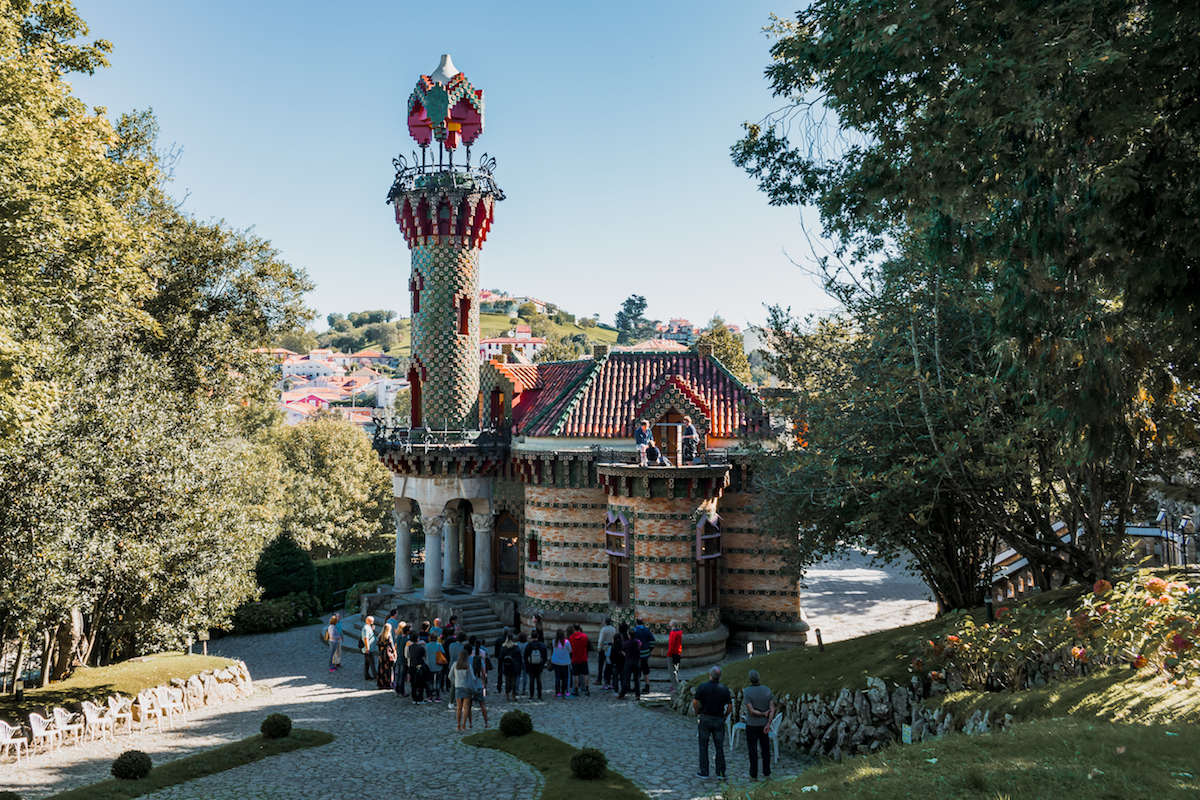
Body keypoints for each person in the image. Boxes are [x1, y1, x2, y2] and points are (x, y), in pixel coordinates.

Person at [692, 666, 733, 780]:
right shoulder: (724, 689)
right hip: (718, 719)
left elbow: (695, 702)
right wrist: (725, 715)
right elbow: (730, 706)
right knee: (719, 746)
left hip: (705, 718)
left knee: (703, 746)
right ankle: (720, 772)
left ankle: (704, 771)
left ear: (710, 674)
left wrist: (698, 712)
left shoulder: (703, 687)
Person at [742, 669, 776, 781]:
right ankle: (767, 772)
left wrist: (761, 713)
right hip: (764, 725)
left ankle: (753, 774)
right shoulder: (767, 690)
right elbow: (772, 709)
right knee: (765, 749)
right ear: (759, 678)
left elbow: (751, 710)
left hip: (752, 724)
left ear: (749, 680)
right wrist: (768, 722)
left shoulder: (747, 692)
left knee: (753, 749)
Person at [450, 648, 474, 732]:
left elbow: (450, 675)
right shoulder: (468, 666)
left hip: (458, 687)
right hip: (466, 688)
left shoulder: (455, 664)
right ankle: (464, 725)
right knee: (466, 707)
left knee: (459, 707)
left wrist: (454, 682)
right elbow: (473, 678)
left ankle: (458, 725)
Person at [634, 618, 656, 694]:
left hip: (638, 654)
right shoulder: (646, 630)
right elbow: (652, 641)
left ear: (636, 623)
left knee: (638, 670)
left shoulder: (635, 630)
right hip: (646, 653)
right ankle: (647, 685)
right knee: (646, 670)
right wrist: (649, 649)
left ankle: (637, 686)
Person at [471, 642, 490, 727]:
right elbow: (483, 673)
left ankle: (470, 723)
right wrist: (484, 682)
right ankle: (486, 722)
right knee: (482, 704)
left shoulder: (467, 659)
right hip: (478, 684)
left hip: (470, 685)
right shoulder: (479, 660)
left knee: (468, 705)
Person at [568, 623, 590, 697]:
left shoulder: (571, 637)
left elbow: (570, 647)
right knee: (585, 674)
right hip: (583, 657)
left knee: (576, 675)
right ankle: (587, 689)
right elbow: (587, 645)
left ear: (574, 629)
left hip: (575, 658)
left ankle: (576, 689)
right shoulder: (585, 636)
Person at [524, 630, 547, 699]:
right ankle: (539, 695)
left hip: (531, 665)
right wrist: (543, 663)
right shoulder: (542, 645)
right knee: (539, 680)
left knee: (531, 680)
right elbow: (545, 655)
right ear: (537, 636)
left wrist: (527, 664)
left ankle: (531, 695)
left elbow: (525, 656)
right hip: (539, 665)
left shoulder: (529, 645)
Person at [619, 630, 641, 700]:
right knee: (636, 679)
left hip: (628, 662)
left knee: (626, 678)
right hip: (636, 662)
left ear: (629, 635)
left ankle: (623, 694)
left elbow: (623, 651)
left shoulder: (626, 643)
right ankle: (637, 694)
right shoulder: (637, 642)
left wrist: (625, 654)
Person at [550, 628, 572, 697]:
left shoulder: (554, 642)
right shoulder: (567, 642)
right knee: (565, 677)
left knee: (558, 677)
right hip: (565, 662)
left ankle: (557, 692)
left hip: (556, 662)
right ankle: (565, 691)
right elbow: (570, 650)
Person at [500, 632, 522, 701]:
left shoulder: (503, 647)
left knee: (507, 681)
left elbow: (500, 657)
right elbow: (519, 657)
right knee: (514, 681)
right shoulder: (515, 647)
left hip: (506, 665)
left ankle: (507, 695)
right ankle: (513, 695)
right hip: (515, 665)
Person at [425, 631, 446, 703]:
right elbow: (443, 652)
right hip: (438, 665)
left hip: (429, 665)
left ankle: (430, 696)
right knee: (438, 681)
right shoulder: (439, 645)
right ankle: (438, 696)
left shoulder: (427, 645)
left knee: (430, 681)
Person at [408, 632, 427, 703]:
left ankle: (414, 698)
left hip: (412, 666)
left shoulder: (410, 648)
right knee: (421, 683)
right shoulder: (421, 648)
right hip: (419, 666)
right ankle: (420, 698)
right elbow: (425, 655)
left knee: (413, 683)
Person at [376, 623, 397, 691]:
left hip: (381, 656)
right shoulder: (388, 637)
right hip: (387, 656)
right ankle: (389, 683)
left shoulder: (380, 637)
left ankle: (381, 683)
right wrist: (395, 654)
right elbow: (392, 646)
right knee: (388, 670)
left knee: (381, 669)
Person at [668, 619, 683, 690]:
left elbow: (671, 644)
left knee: (672, 670)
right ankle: (675, 685)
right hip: (678, 652)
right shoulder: (679, 632)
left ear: (672, 625)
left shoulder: (673, 633)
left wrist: (669, 653)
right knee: (676, 669)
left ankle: (675, 686)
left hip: (673, 653)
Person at [360, 616, 377, 681]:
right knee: (371, 662)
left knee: (367, 662)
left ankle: (366, 675)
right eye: (372, 621)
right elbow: (366, 638)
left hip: (370, 648)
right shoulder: (366, 628)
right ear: (368, 621)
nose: (373, 622)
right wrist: (368, 648)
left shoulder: (369, 627)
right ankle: (375, 675)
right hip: (368, 648)